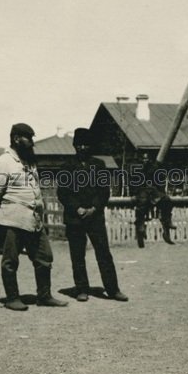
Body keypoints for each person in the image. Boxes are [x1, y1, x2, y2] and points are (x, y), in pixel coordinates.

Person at [0, 123, 67, 311]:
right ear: (16, 139)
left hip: (34, 220)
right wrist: (5, 214)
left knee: (45, 257)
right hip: (13, 220)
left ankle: (44, 296)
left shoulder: (28, 161)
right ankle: (12, 298)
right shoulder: (4, 162)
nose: (31, 142)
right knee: (10, 261)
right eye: (28, 138)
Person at [57, 128, 128, 302]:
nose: (82, 148)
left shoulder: (99, 165)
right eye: (79, 144)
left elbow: (104, 192)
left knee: (104, 253)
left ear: (91, 146)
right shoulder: (67, 167)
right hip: (75, 218)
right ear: (74, 146)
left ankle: (113, 290)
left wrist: (94, 208)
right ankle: (82, 289)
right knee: (77, 254)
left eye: (86, 144)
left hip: (95, 217)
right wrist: (77, 209)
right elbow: (63, 193)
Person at [131, 152, 176, 246]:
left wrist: (161, 192)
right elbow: (132, 182)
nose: (145, 161)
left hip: (153, 190)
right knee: (142, 203)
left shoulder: (153, 167)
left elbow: (159, 181)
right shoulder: (137, 168)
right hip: (142, 190)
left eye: (147, 159)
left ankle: (167, 223)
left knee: (166, 200)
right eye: (143, 159)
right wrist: (133, 193)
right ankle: (140, 227)